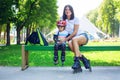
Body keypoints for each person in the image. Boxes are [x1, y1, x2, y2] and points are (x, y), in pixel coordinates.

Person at [59, 5, 91, 72]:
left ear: (72, 11)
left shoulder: (76, 19)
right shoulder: (62, 19)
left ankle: (76, 60)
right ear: (64, 11)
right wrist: (59, 38)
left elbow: (75, 32)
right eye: (66, 9)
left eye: (69, 9)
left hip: (82, 36)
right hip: (73, 39)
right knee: (70, 43)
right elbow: (61, 29)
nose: (67, 11)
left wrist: (66, 39)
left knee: (74, 40)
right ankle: (84, 60)